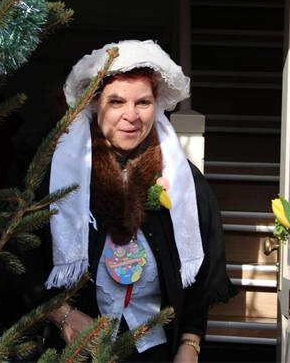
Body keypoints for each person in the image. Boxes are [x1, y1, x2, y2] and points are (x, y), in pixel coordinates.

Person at [30, 40, 234, 362]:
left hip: (154, 350)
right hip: (78, 350)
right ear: (94, 104)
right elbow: (22, 264)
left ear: (157, 104)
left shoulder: (182, 179)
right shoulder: (58, 174)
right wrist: (63, 315)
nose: (131, 115)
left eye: (143, 102)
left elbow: (201, 269)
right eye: (116, 101)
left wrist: (190, 343)